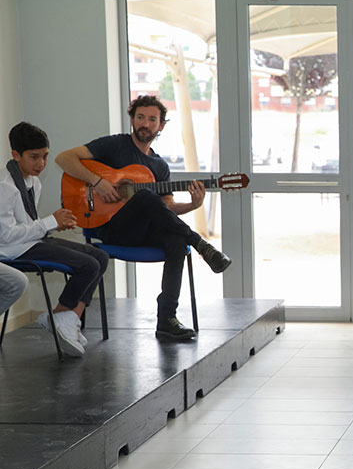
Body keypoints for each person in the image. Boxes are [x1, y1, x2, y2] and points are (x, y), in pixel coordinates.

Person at [55, 96, 230, 342]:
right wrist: (98, 182)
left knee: (175, 240)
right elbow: (63, 158)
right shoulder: (114, 145)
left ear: (161, 125)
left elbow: (166, 209)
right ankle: (200, 244)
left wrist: (192, 204)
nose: (145, 124)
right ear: (132, 119)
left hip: (140, 231)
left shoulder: (159, 166)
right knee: (147, 195)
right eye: (140, 117)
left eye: (152, 119)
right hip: (109, 227)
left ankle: (166, 320)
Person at [1, 122, 109, 356]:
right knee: (88, 265)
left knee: (100, 255)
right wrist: (50, 222)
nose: (41, 164)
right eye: (34, 157)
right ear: (16, 155)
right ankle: (62, 318)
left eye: (45, 156)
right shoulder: (4, 186)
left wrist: (54, 225)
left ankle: (64, 318)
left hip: (30, 242)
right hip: (12, 250)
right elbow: (5, 237)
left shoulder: (33, 182)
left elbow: (29, 224)